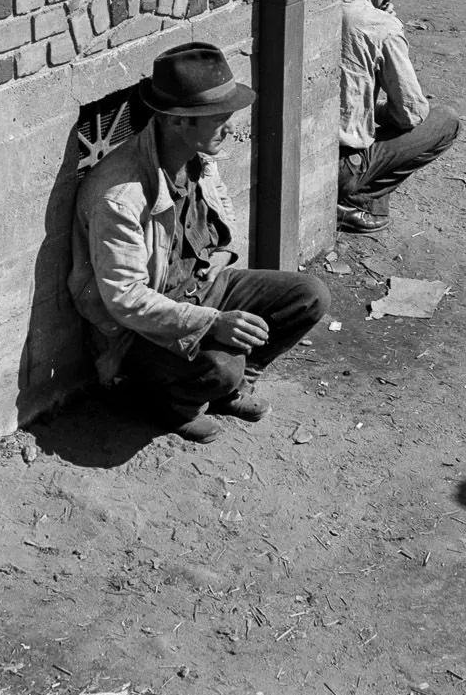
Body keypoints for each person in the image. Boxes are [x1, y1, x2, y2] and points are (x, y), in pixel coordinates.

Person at [69, 42, 330, 444]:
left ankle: (233, 387)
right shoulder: (118, 196)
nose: (230, 127)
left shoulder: (198, 155)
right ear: (177, 121)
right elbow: (126, 300)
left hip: (204, 289)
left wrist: (217, 300)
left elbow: (216, 229)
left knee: (309, 295)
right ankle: (169, 403)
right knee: (223, 367)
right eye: (218, 119)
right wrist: (211, 323)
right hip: (141, 330)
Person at [338, 0, 461, 234]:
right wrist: (389, 23)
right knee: (445, 121)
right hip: (343, 165)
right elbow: (410, 114)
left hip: (312, 149)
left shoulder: (320, 5)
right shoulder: (381, 27)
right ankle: (358, 198)